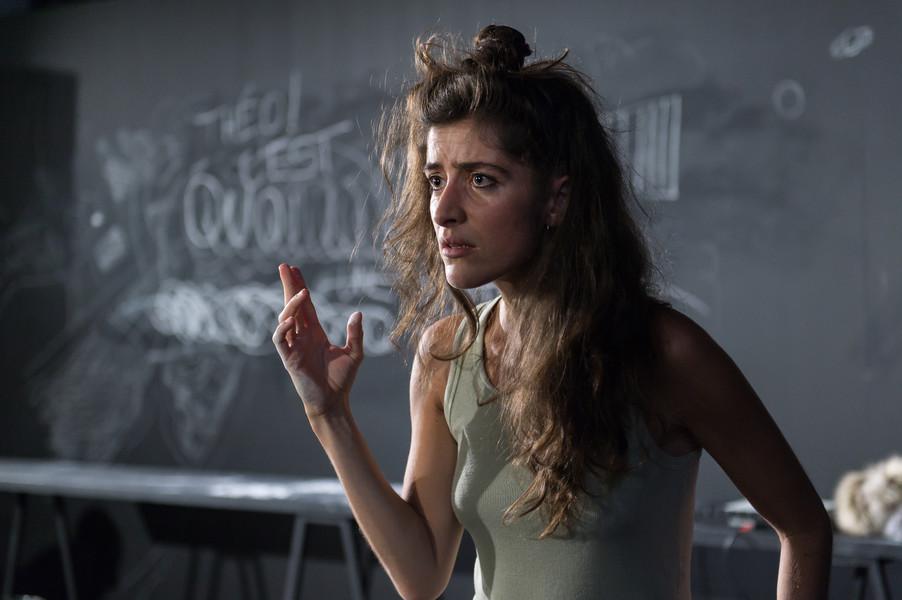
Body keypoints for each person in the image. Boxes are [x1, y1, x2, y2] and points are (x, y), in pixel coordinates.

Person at [273, 24, 832, 600]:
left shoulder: (664, 353)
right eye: (435, 179)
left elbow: (806, 528)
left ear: (556, 198)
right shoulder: (446, 356)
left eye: (481, 180)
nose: (443, 209)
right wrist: (329, 414)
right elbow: (420, 574)